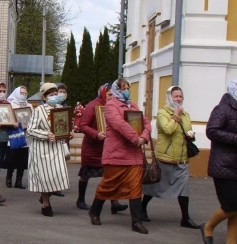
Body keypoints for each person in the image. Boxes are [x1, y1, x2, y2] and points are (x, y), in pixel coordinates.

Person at [88, 78, 151, 234]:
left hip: (134, 154)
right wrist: (135, 138)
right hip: (116, 153)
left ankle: (136, 221)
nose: (126, 91)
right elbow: (118, 124)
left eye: (127, 88)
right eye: (122, 88)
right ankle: (95, 211)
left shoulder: (133, 105)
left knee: (135, 187)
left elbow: (146, 122)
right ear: (116, 90)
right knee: (109, 184)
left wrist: (144, 136)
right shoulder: (111, 106)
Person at [142, 86, 199, 229]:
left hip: (182, 157)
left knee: (183, 188)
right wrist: (176, 115)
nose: (179, 99)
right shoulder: (162, 113)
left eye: (180, 96)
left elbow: (187, 129)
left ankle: (185, 218)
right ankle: (142, 208)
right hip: (165, 157)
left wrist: (190, 134)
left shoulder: (186, 114)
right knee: (156, 186)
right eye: (176, 96)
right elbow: (167, 130)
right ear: (169, 97)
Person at [78, 84, 128, 214]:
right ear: (103, 93)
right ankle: (81, 199)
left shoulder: (116, 106)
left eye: (114, 94)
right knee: (85, 175)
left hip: (109, 148)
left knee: (111, 175)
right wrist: (96, 134)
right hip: (93, 149)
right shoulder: (93, 105)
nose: (112, 97)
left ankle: (114, 202)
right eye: (110, 94)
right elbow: (83, 125)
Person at [200, 79, 237, 244]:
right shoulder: (223, 108)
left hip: (234, 165)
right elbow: (211, 130)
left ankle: (231, 242)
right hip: (222, 164)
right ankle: (208, 226)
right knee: (230, 204)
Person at [27, 83, 74, 217]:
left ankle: (45, 196)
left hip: (57, 148)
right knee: (46, 178)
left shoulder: (61, 108)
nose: (55, 97)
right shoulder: (39, 110)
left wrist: (69, 134)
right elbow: (30, 130)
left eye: (56, 94)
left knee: (58, 177)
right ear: (45, 97)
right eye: (51, 95)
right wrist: (46, 135)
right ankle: (46, 204)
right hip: (43, 149)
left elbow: (63, 127)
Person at [3, 86, 33, 189]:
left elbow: (32, 118)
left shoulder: (29, 106)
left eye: (25, 93)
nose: (24, 95)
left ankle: (19, 180)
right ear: (16, 93)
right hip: (14, 135)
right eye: (21, 93)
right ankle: (9, 177)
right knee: (12, 158)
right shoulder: (10, 104)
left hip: (25, 136)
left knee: (22, 159)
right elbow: (6, 118)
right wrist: (13, 123)